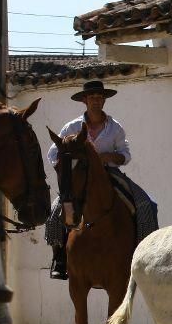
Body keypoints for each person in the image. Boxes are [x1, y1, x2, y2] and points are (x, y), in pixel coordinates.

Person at [44, 80, 157, 279]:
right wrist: (67, 171)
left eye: (99, 97)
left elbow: (125, 155)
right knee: (56, 210)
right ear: (84, 101)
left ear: (104, 100)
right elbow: (53, 154)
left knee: (147, 204)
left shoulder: (115, 128)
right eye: (92, 97)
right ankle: (60, 259)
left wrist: (107, 158)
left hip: (110, 174)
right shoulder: (71, 126)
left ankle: (144, 258)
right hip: (79, 177)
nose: (96, 101)